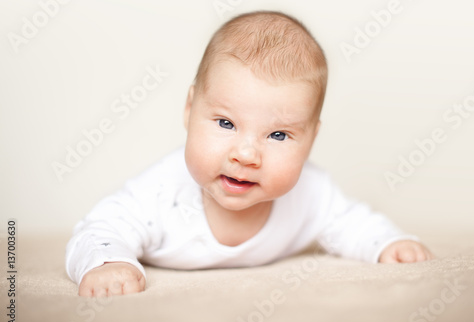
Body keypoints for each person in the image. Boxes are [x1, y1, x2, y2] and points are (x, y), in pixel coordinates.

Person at [66, 11, 433, 297]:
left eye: (277, 134)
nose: (246, 154)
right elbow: (99, 229)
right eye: (226, 123)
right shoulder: (162, 193)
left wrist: (388, 243)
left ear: (310, 140)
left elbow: (353, 223)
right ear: (190, 109)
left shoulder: (312, 194)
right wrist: (107, 262)